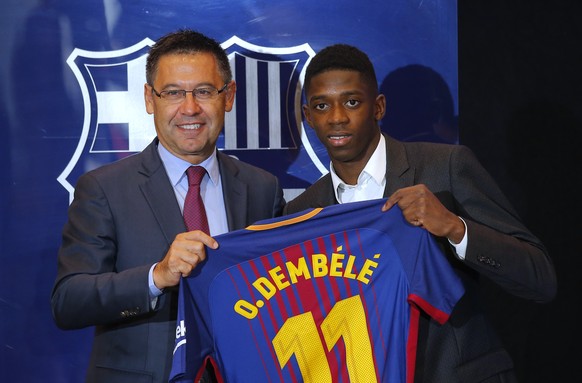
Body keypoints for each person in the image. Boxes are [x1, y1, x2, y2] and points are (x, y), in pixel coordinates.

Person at [284, 44, 557, 383]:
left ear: (378, 107)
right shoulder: (302, 212)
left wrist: (456, 229)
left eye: (352, 102)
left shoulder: (445, 167)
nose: (337, 117)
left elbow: (540, 278)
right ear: (308, 116)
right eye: (322, 105)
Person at [51, 29, 285, 383]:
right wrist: (156, 276)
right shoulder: (103, 188)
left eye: (204, 92)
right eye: (173, 92)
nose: (189, 108)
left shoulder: (261, 188)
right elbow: (69, 302)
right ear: (149, 98)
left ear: (229, 96)